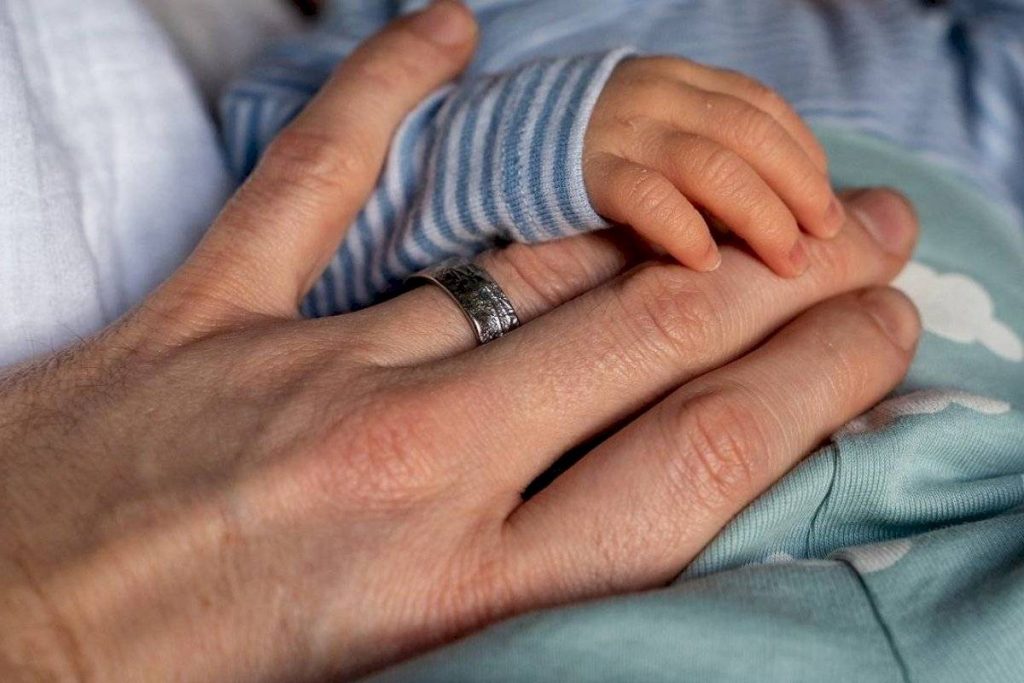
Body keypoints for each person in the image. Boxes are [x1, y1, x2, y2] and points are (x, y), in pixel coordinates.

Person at [0, 2, 936, 681]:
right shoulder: (390, 26)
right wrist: (547, 141)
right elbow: (297, 265)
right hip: (636, 535)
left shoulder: (907, 51)